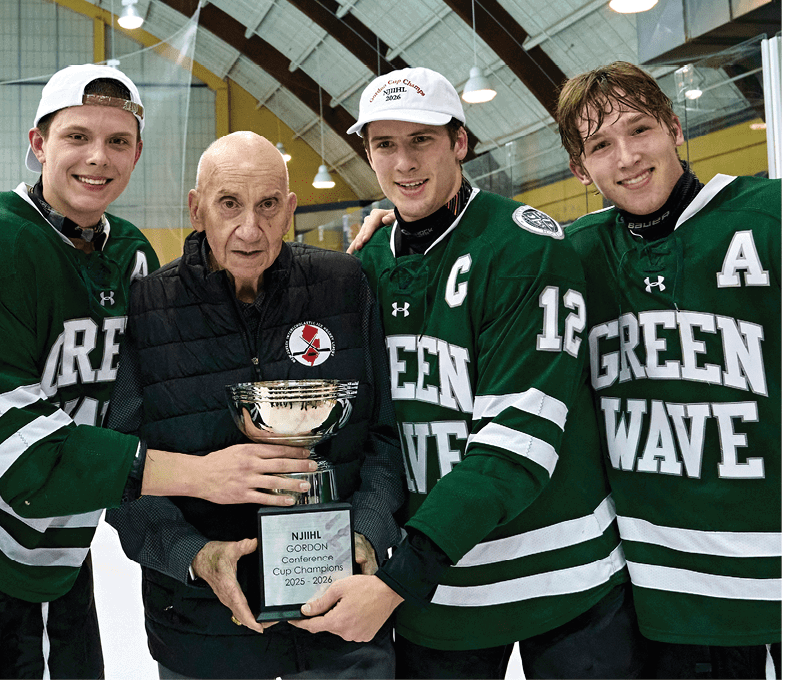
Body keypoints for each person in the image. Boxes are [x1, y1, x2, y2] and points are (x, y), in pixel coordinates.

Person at [0, 65, 315, 680]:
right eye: (77, 137)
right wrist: (203, 475)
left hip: (70, 537)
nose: (98, 158)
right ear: (38, 144)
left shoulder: (129, 251)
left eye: (118, 141)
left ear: (137, 154)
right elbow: (6, 448)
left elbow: (148, 403)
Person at [294, 67, 641, 679]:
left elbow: (516, 443)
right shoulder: (367, 263)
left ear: (459, 142)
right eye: (384, 144)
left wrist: (399, 580)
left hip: (560, 581)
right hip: (440, 595)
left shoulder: (523, 247)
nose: (404, 162)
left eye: (421, 140)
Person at [104, 131, 407, 679]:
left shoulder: (344, 286)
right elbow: (120, 470)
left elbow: (384, 437)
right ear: (197, 209)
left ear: (289, 210)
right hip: (202, 632)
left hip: (342, 625)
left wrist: (366, 531)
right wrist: (192, 555)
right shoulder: (147, 307)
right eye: (229, 204)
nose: (250, 229)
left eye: (268, 205)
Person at [555, 61, 780, 679]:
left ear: (674, 129)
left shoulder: (770, 215)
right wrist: (393, 225)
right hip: (666, 592)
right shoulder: (574, 253)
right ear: (580, 169)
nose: (627, 157)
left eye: (640, 130)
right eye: (601, 145)